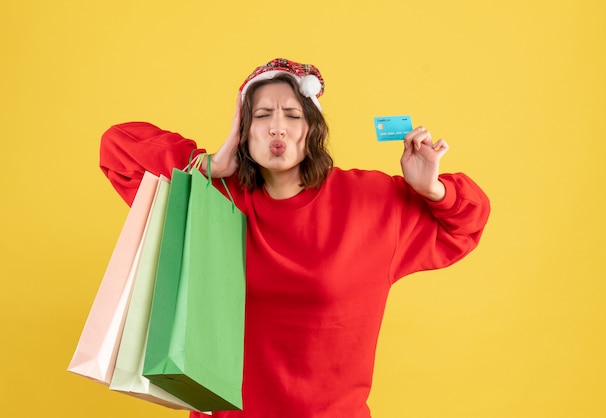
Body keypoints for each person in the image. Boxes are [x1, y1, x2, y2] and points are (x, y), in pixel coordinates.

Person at [100, 58, 491, 418]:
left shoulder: (370, 202)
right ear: (242, 130)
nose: (277, 126)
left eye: (292, 114)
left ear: (313, 128)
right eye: (262, 115)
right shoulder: (214, 198)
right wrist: (208, 165)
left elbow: (466, 224)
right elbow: (117, 148)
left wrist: (433, 190)